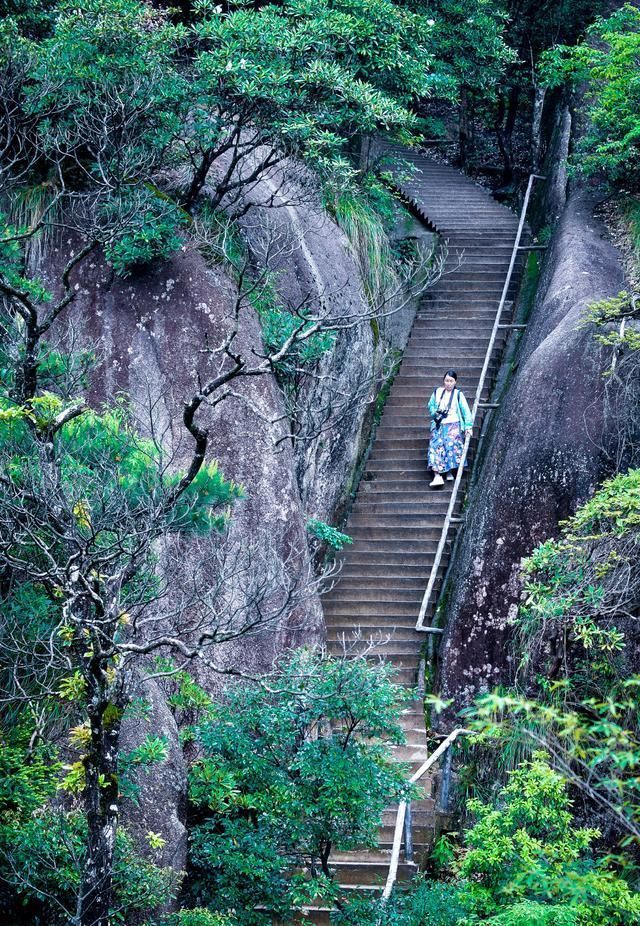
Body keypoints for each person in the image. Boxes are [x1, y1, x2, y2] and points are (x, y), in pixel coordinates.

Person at [427, 370, 473, 488]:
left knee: (451, 447)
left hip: (453, 424)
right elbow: (430, 405)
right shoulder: (437, 392)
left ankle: (449, 471)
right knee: (435, 447)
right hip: (438, 424)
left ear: (455, 382)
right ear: (443, 381)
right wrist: (435, 412)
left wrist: (468, 427)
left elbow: (466, 411)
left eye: (451, 381)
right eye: (447, 380)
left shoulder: (458, 394)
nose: (448, 383)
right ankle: (437, 475)